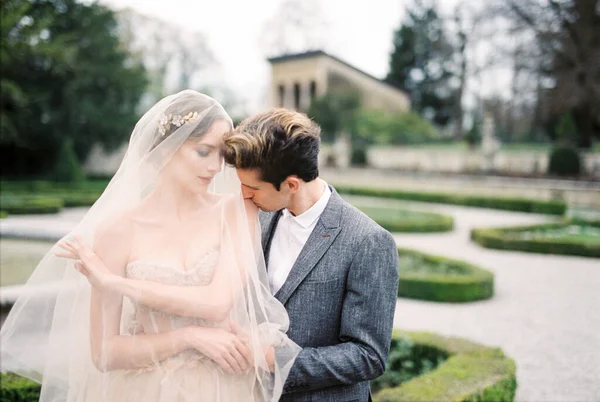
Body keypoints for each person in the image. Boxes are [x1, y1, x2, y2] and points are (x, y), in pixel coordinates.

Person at [0, 90, 300, 402]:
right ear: (164, 150)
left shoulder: (237, 210)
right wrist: (187, 337)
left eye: (222, 156)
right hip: (144, 390)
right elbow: (104, 353)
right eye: (203, 151)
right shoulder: (117, 231)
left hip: (224, 387)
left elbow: (217, 303)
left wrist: (116, 283)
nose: (214, 167)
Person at [222, 108, 399, 401]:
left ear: (291, 184)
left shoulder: (369, 241)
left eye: (252, 187)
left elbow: (368, 355)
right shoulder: (259, 217)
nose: (243, 194)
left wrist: (273, 360)